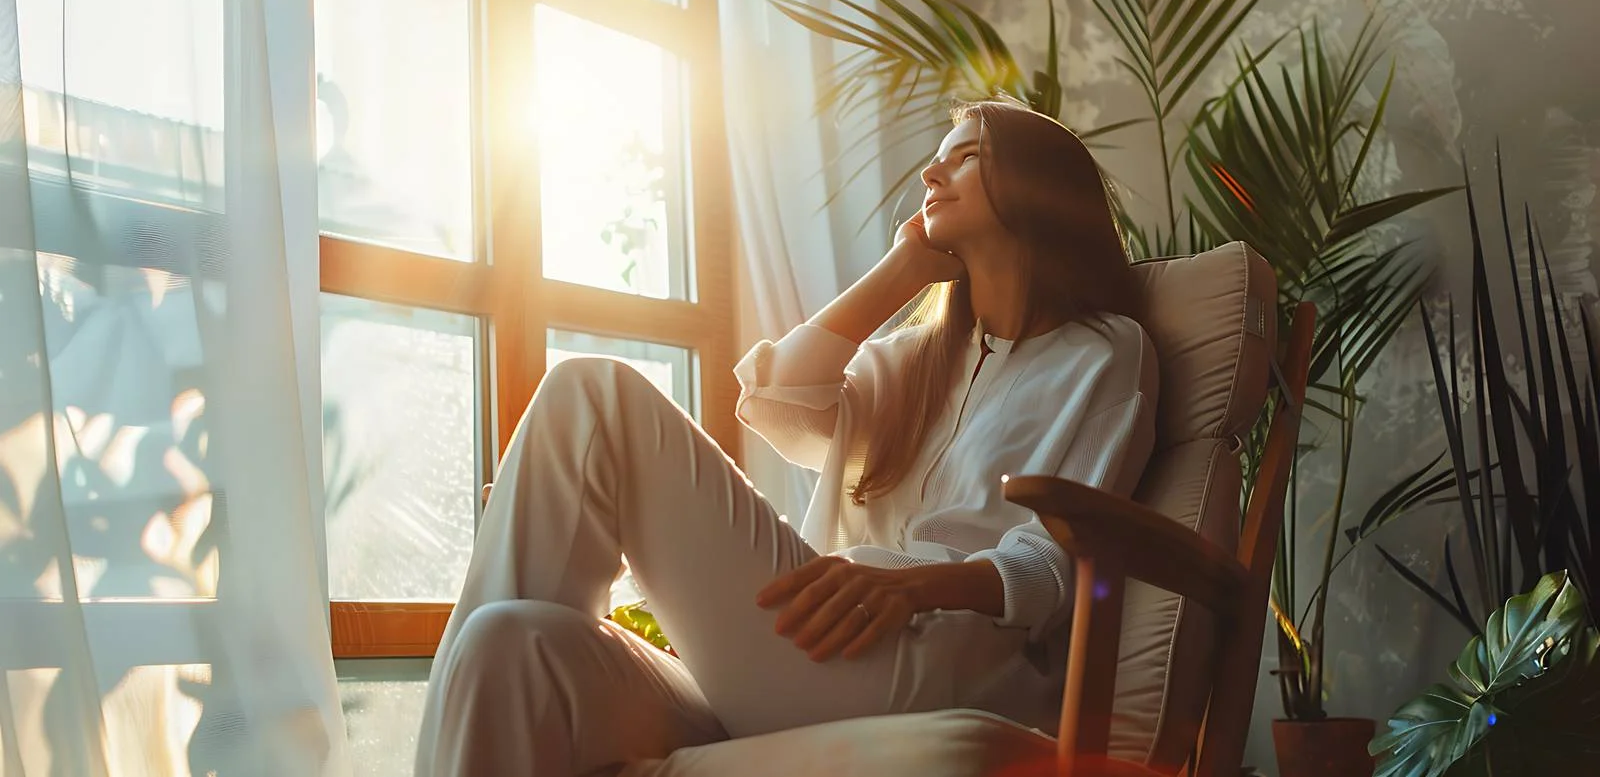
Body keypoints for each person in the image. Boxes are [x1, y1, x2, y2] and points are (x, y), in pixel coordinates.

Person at [412, 96, 1160, 777]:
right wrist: (901, 271)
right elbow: (779, 405)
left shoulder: (1102, 352)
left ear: (1037, 187)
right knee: (504, 642)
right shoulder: (914, 359)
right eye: (937, 158)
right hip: (817, 648)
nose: (931, 172)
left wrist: (910, 583)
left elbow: (1053, 563)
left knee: (593, 394)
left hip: (935, 659)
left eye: (966, 156)